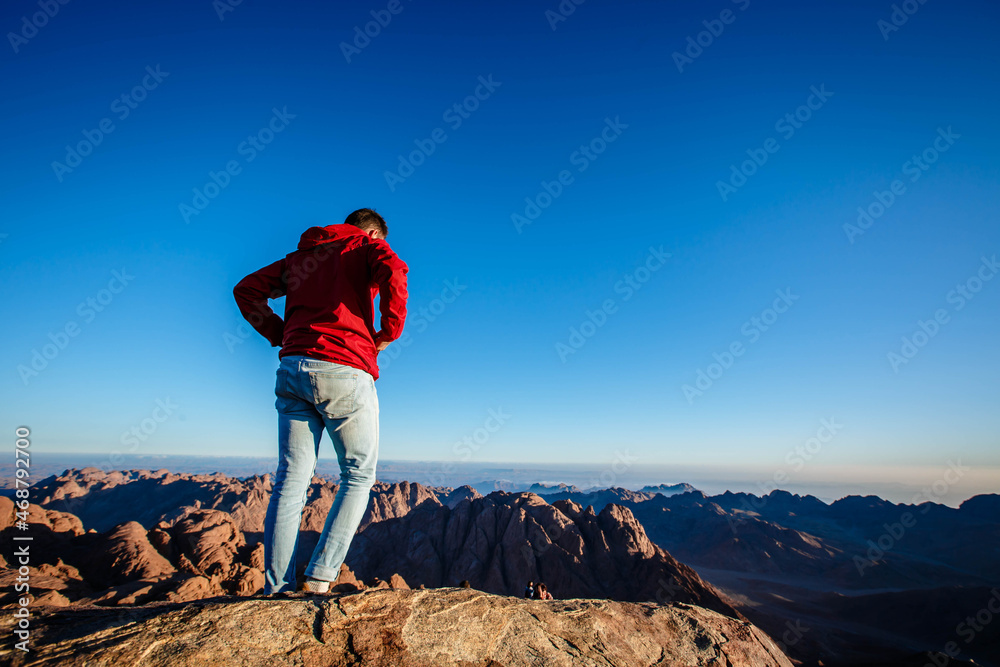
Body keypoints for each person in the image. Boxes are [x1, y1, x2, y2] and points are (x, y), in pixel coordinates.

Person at [234, 208, 408, 594]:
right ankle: (319, 579)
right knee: (358, 475)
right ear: (375, 233)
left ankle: (276, 589)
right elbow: (395, 271)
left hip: (292, 369)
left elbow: (245, 290)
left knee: (291, 480)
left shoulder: (301, 257)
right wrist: (388, 332)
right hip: (344, 368)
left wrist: (280, 333)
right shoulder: (366, 247)